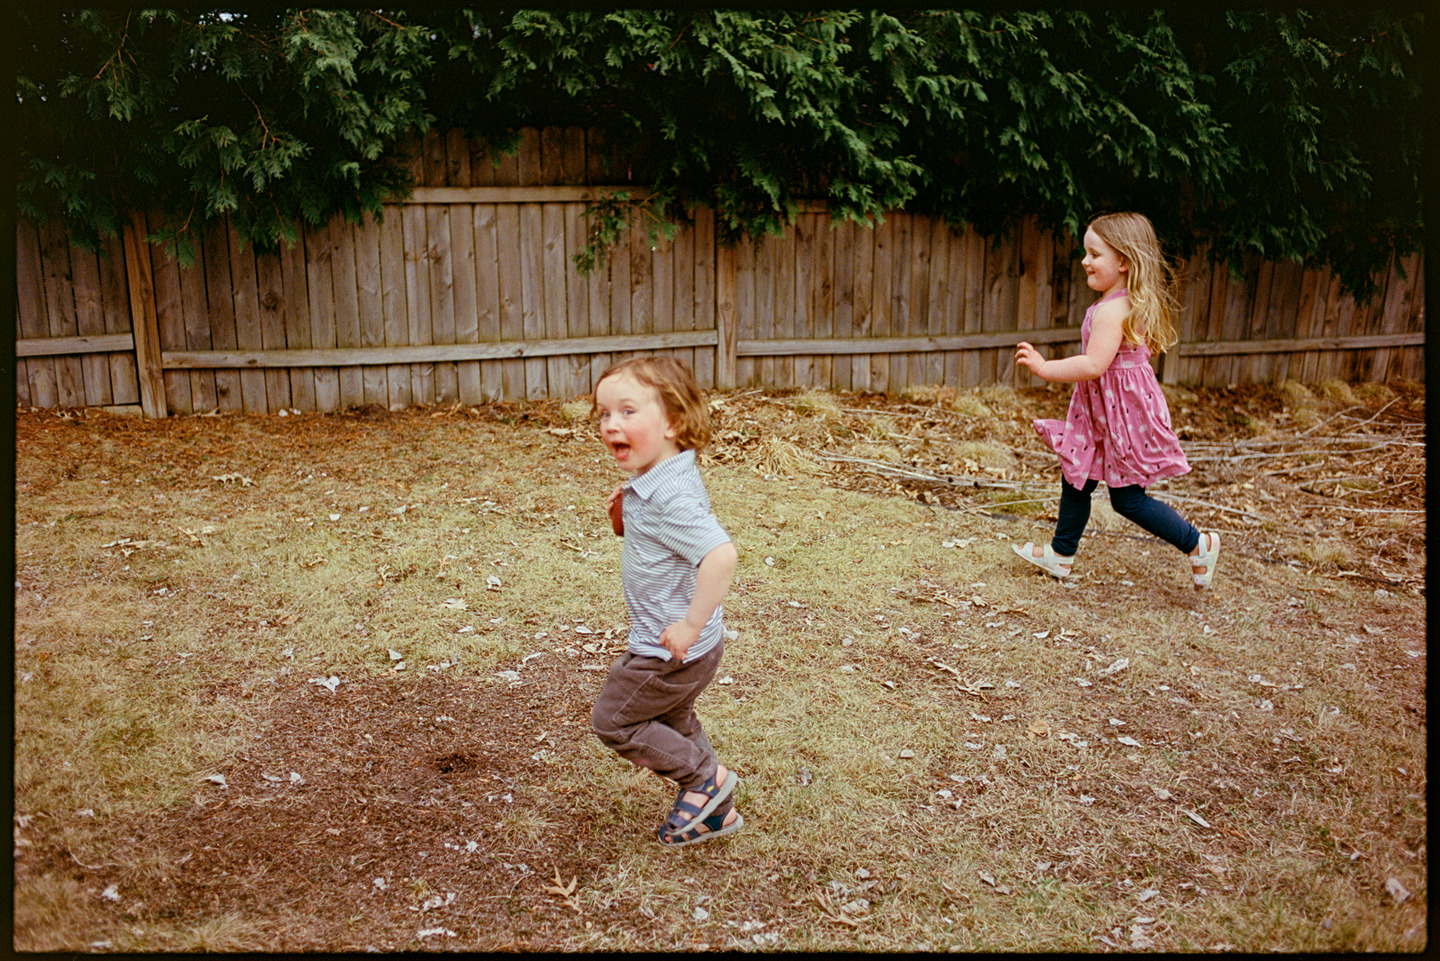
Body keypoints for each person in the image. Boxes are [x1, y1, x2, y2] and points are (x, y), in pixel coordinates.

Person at [1012, 211, 1221, 589]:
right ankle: (1061, 555)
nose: (1085, 261)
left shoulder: (1113, 310)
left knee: (1127, 498)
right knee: (1078, 476)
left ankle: (1198, 544)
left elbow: (1093, 364)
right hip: (1108, 409)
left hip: (1118, 414)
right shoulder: (1129, 302)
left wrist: (1044, 368)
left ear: (1123, 261)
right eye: (1086, 253)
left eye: (1095, 254)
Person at [590, 355, 744, 846]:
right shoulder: (663, 475)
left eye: (628, 411)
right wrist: (625, 516)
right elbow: (665, 537)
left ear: (674, 421)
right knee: (673, 720)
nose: (611, 423)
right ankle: (716, 813)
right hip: (691, 648)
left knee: (615, 720)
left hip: (670, 648)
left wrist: (689, 626)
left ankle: (705, 780)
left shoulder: (668, 496)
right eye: (604, 413)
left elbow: (720, 555)